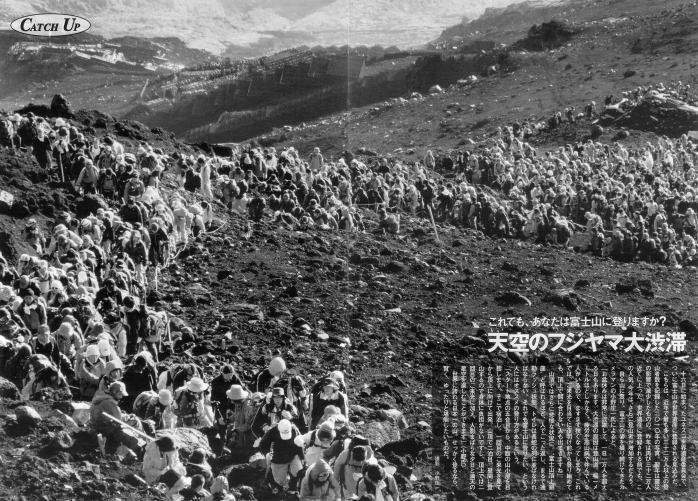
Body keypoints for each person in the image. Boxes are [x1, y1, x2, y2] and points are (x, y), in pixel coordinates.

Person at [90, 381, 140, 454]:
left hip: (97, 427)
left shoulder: (102, 399)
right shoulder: (110, 403)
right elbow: (118, 420)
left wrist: (124, 415)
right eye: (120, 394)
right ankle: (137, 448)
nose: (121, 397)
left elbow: (114, 415)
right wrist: (129, 417)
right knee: (133, 423)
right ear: (114, 392)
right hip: (105, 429)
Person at [258, 419, 304, 496]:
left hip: (293, 454)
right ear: (279, 429)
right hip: (279, 456)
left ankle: (293, 488)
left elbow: (300, 445)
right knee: (280, 480)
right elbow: (263, 444)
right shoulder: (272, 431)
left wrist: (302, 457)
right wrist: (267, 454)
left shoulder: (295, 430)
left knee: (298, 471)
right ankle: (278, 487)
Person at [222, 384, 257, 460]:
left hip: (248, 434)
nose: (231, 401)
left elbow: (248, 425)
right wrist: (229, 419)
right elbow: (236, 415)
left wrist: (236, 430)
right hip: (240, 431)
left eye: (232, 399)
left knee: (245, 451)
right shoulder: (238, 403)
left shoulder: (248, 406)